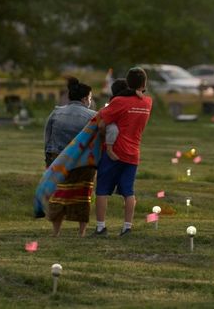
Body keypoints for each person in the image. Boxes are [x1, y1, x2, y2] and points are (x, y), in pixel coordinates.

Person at [94, 67, 152, 236]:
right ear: (144, 84)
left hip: (114, 151)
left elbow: (101, 120)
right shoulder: (148, 102)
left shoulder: (119, 102)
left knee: (102, 190)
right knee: (128, 191)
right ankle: (127, 227)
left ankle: (100, 227)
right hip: (133, 153)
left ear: (128, 82)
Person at [43, 77, 96, 237]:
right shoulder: (92, 115)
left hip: (57, 159)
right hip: (82, 162)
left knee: (58, 195)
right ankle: (81, 232)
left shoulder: (56, 112)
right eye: (90, 97)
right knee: (82, 195)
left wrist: (48, 159)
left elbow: (47, 137)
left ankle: (56, 231)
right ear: (85, 98)